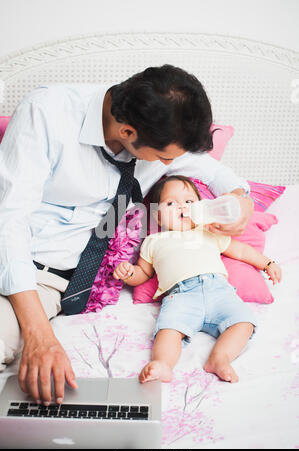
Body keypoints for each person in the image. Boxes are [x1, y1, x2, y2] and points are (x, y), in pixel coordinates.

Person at [0, 65, 254, 405]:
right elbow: (9, 220)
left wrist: (242, 201)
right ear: (128, 131)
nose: (171, 165)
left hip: (87, 280)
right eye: (165, 158)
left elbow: (218, 174)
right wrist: (39, 335)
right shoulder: (46, 113)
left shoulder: (162, 131)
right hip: (30, 269)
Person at [113, 175, 282, 384]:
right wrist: (129, 274)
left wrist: (267, 264)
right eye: (171, 203)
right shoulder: (154, 241)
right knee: (168, 329)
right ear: (157, 216)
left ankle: (220, 358)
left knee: (244, 323)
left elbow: (241, 250)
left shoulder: (209, 231)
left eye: (189, 202)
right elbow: (143, 273)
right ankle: (163, 364)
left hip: (220, 291)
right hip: (181, 295)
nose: (181, 207)